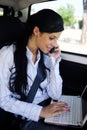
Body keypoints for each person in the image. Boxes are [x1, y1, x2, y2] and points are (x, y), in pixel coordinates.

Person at [0, 9, 70, 130]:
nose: (55, 44)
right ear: (36, 31)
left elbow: (56, 94)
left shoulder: (46, 55)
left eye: (57, 39)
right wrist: (41, 111)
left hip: (48, 109)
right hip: (28, 116)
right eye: (51, 38)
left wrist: (54, 62)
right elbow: (3, 100)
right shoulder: (8, 54)